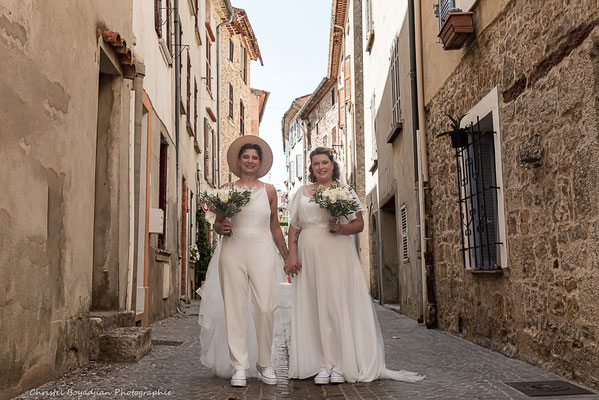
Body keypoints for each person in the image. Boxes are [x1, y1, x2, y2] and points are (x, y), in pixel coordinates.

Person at [285, 147, 425, 385]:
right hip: (308, 255)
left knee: (336, 305)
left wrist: (341, 228)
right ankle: (321, 364)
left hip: (337, 252)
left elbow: (359, 224)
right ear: (311, 168)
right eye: (316, 163)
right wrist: (291, 255)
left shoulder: (345, 191)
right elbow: (293, 227)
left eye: (325, 162)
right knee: (314, 306)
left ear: (332, 165)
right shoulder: (302, 192)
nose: (320, 167)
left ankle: (339, 364)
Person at [198, 136, 288, 387]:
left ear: (260, 163)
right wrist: (221, 227)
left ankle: (265, 362)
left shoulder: (269, 191)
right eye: (246, 157)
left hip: (261, 249)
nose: (250, 161)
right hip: (233, 250)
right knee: (235, 308)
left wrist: (287, 253)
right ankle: (239, 366)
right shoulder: (227, 190)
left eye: (254, 158)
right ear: (239, 161)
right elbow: (217, 224)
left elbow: (274, 226)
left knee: (265, 307)